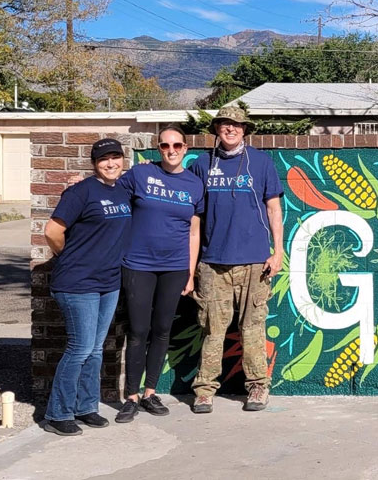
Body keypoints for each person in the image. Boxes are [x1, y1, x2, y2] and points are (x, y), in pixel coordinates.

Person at [188, 104, 283, 413]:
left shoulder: (261, 162)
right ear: (216, 128)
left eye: (237, 125)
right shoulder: (202, 165)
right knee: (212, 330)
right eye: (225, 124)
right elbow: (194, 219)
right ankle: (204, 390)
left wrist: (278, 251)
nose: (230, 129)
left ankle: (258, 387)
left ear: (245, 130)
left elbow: (273, 209)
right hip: (213, 262)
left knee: (253, 328)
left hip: (255, 262)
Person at [114, 125, 204, 423]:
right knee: (138, 331)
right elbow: (110, 191)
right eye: (165, 146)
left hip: (175, 267)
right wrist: (78, 185)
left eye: (177, 145)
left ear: (186, 148)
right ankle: (131, 396)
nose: (172, 150)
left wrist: (190, 274)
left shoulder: (194, 185)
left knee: (162, 330)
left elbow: (194, 232)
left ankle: (150, 392)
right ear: (158, 148)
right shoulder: (141, 174)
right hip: (138, 265)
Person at [43, 138, 132, 436]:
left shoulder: (122, 189)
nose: (111, 163)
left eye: (115, 157)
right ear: (94, 163)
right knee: (80, 348)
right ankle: (58, 413)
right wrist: (65, 254)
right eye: (104, 159)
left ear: (123, 159)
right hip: (77, 282)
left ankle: (86, 407)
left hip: (109, 282)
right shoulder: (80, 191)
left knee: (95, 349)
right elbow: (53, 230)